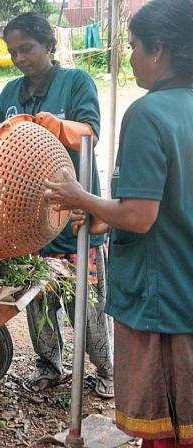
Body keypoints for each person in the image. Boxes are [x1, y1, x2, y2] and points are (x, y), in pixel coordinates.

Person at [44, 0, 193, 445]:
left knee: (164, 426)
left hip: (160, 298)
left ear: (159, 50)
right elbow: (169, 203)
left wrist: (79, 196)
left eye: (132, 47)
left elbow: (140, 215)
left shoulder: (148, 114)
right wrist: (106, 217)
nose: (128, 59)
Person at [0, 12, 114, 398]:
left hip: (77, 214)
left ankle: (105, 368)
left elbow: (91, 133)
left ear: (49, 45)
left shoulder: (75, 82)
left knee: (88, 299)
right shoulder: (10, 94)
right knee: (40, 298)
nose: (20, 58)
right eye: (13, 52)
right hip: (33, 218)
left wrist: (58, 126)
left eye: (26, 48)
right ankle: (49, 365)